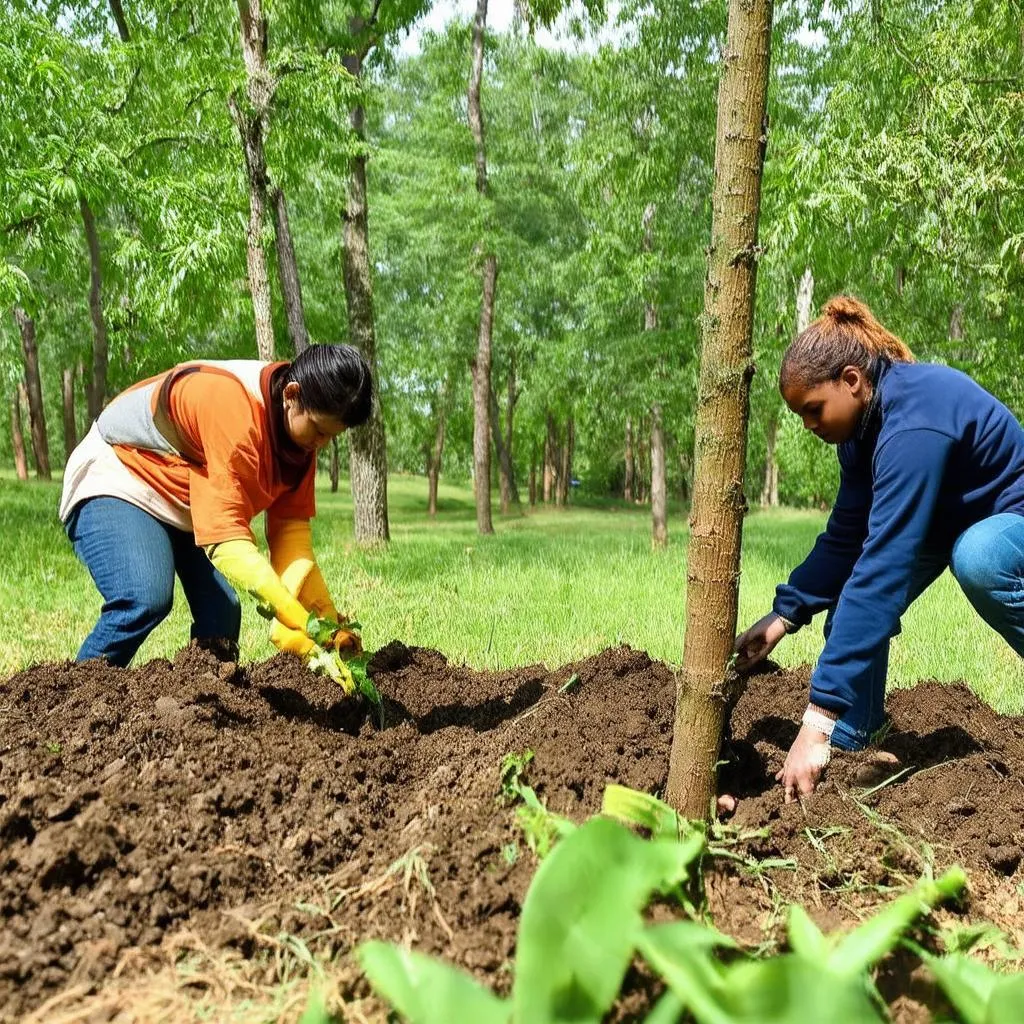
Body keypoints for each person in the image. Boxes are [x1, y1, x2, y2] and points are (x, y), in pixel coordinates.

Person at [735, 296, 1024, 802]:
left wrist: (815, 719)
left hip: (1008, 520)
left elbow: (884, 563)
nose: (808, 425)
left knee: (980, 558)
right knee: (852, 596)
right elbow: (848, 537)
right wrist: (783, 616)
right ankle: (855, 735)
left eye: (812, 409)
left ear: (851, 381)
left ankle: (832, 726)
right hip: (946, 522)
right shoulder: (859, 433)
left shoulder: (913, 423)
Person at [60, 345, 371, 667]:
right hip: (119, 477)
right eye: (319, 430)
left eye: (331, 437)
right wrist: (295, 615)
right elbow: (227, 543)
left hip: (185, 500)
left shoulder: (299, 443)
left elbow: (291, 538)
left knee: (220, 613)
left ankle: (200, 710)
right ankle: (74, 703)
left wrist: (326, 620)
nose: (320, 443)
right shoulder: (233, 407)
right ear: (292, 394)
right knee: (145, 597)